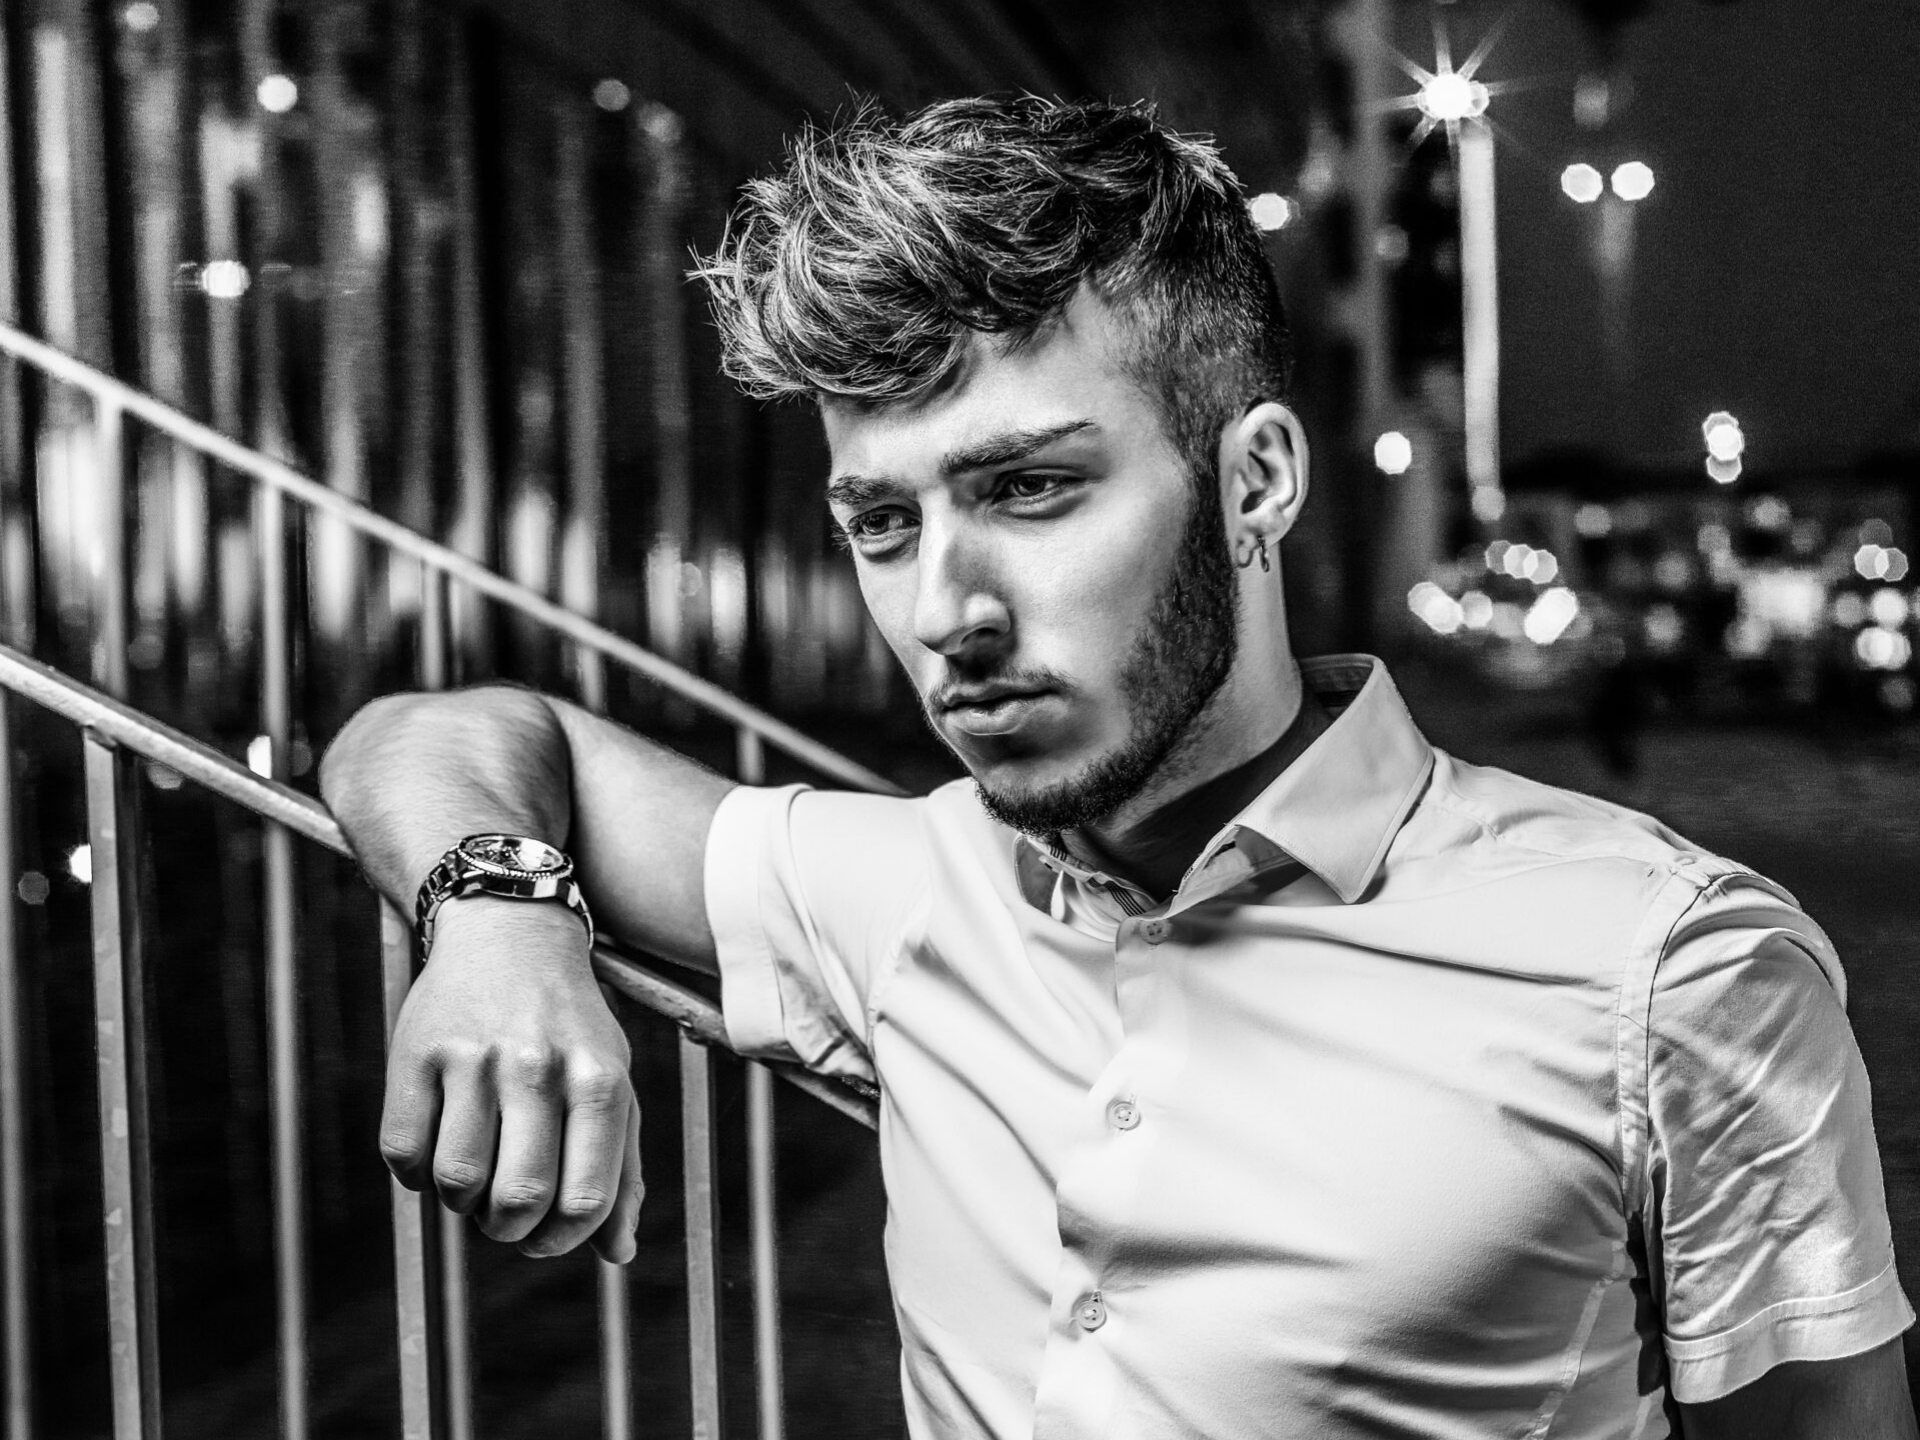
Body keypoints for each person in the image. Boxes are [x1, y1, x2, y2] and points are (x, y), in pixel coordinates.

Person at [320, 97, 1916, 1437]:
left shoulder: (1674, 967)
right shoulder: (909, 888)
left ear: (1259, 484)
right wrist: (496, 916)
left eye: (1028, 490)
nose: (943, 611)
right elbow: (439, 737)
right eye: (883, 522)